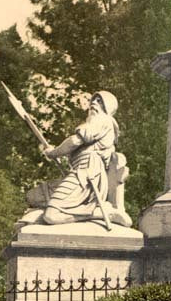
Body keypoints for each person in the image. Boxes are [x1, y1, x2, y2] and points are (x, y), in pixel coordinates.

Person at [37, 91, 132, 227]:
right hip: (81, 173)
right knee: (35, 197)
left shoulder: (102, 119)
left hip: (87, 175)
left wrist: (53, 152)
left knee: (51, 215)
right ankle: (96, 212)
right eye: (93, 100)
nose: (93, 103)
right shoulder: (99, 123)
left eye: (99, 101)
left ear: (108, 106)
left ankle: (103, 213)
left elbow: (74, 141)